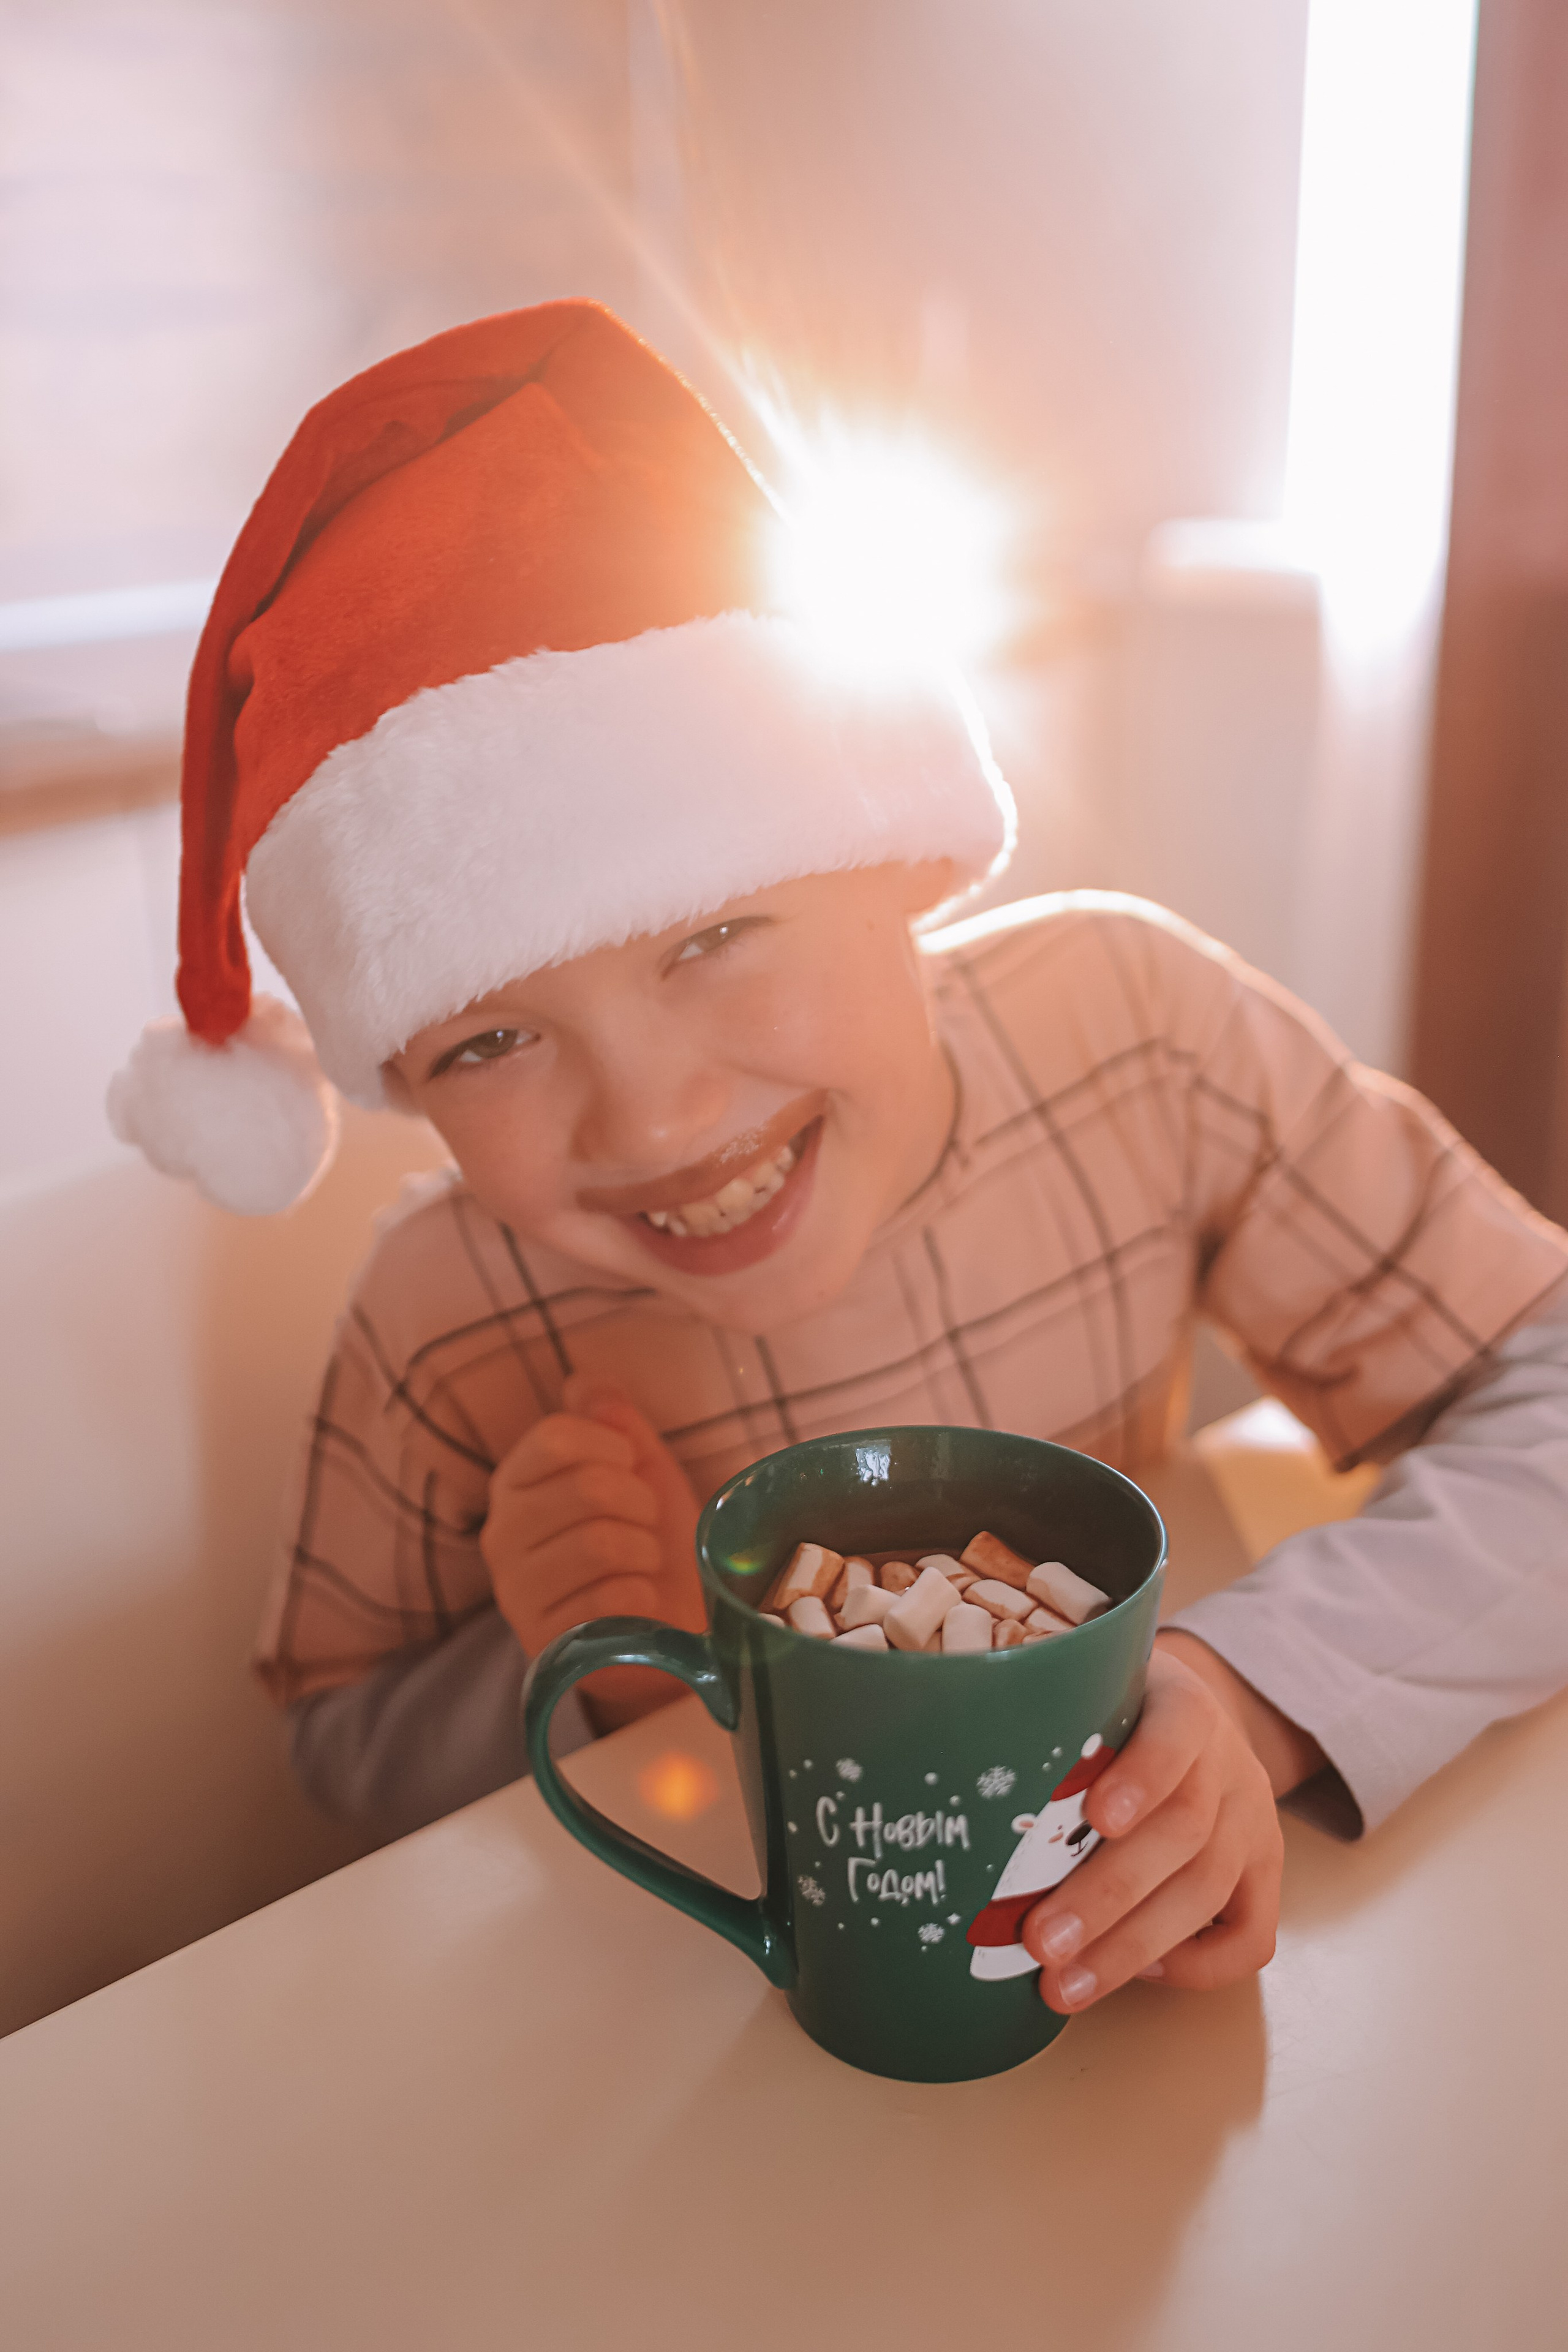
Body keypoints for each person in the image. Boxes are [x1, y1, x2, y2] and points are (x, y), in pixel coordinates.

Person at [109, 301, 1568, 2022]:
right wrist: (565, 1657)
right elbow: (338, 1750)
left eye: (720, 930)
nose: (655, 1125)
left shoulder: (1144, 1035)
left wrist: (1256, 1688)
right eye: (489, 1040)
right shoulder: (446, 1311)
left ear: (899, 854)